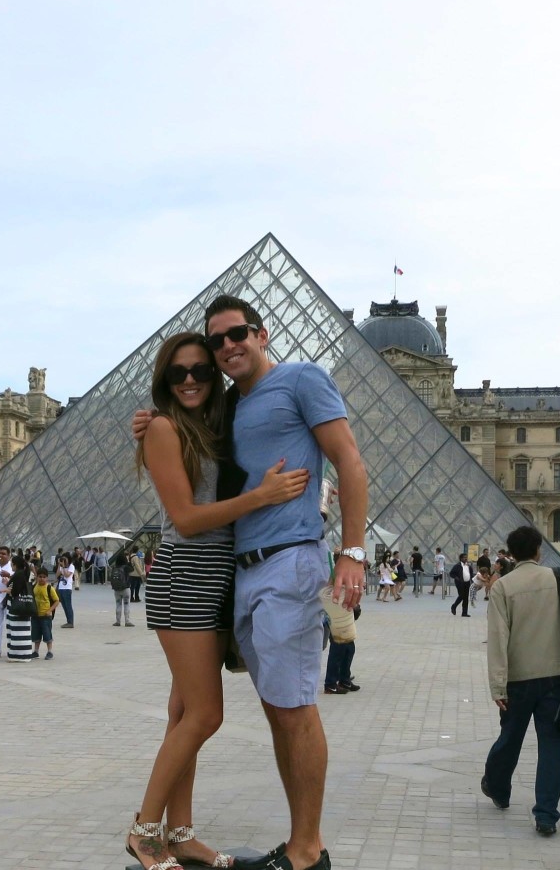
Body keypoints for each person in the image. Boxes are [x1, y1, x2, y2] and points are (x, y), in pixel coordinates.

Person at [134, 294, 366, 870]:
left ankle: (304, 851)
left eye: (236, 335)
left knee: (281, 709)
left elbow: (350, 462)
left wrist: (352, 552)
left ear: (261, 334)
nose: (224, 349)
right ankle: (197, 835)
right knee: (246, 710)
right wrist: (153, 420)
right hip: (227, 573)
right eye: (215, 344)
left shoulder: (301, 380)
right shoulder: (222, 410)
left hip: (285, 562)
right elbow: (186, 496)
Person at [128, 330, 311, 870]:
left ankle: (181, 835)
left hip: (212, 581)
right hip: (185, 579)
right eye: (178, 372)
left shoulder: (212, 428)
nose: (190, 380)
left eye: (201, 371)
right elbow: (184, 520)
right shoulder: (163, 428)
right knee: (205, 714)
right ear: (164, 379)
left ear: (215, 377)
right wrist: (260, 497)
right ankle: (144, 831)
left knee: (184, 711)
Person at [482, 526, 560, 837]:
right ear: (538, 550)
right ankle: (546, 815)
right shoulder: (559, 580)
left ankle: (498, 787)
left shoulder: (503, 587)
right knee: (552, 746)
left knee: (510, 739)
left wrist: (498, 685)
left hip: (518, 680)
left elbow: (497, 640)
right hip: (558, 678)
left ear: (512, 553)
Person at [5, 558, 34, 662]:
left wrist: (5, 588)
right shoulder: (25, 573)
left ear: (15, 565)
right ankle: (25, 653)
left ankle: (17, 655)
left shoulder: (18, 575)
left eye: (12, 564)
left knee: (16, 631)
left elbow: (14, 591)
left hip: (16, 606)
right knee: (23, 631)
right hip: (24, 605)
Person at [31, 568, 59, 660]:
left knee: (47, 634)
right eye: (40, 577)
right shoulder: (34, 587)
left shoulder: (49, 588)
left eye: (44, 577)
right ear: (37, 577)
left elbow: (56, 601)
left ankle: (49, 651)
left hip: (46, 616)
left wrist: (49, 610)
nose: (42, 579)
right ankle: (36, 651)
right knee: (36, 634)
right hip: (35, 615)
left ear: (47, 578)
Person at [56, 553, 76, 628]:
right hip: (61, 588)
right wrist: (59, 565)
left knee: (68, 606)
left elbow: (67, 575)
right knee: (64, 606)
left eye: (65, 559)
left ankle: (71, 622)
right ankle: (68, 621)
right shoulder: (61, 566)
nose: (64, 560)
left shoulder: (71, 566)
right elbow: (57, 575)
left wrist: (64, 567)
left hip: (67, 588)